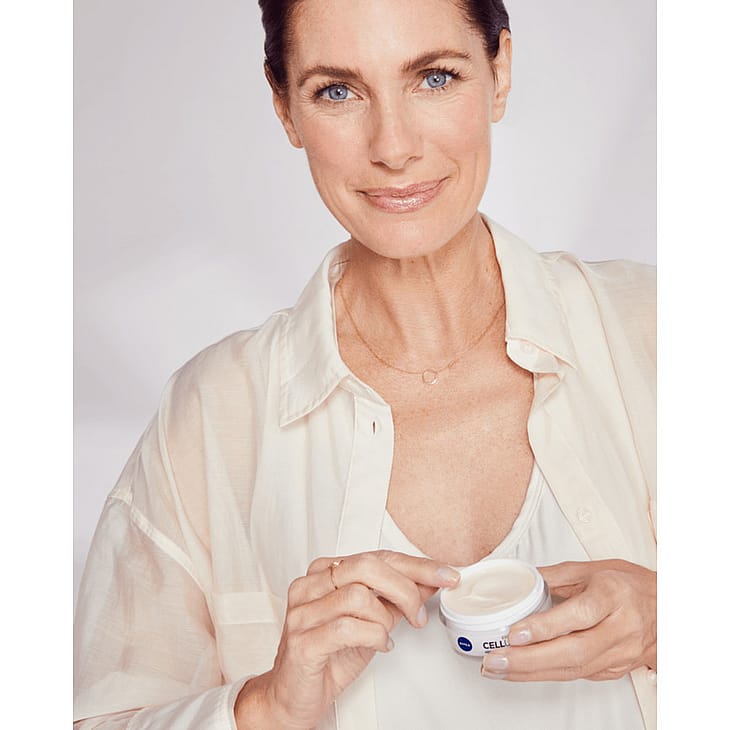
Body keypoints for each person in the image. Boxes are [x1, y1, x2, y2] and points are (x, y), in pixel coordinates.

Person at [73, 0, 657, 728]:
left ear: (500, 72)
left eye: (435, 78)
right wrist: (266, 708)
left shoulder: (658, 331)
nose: (393, 146)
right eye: (338, 91)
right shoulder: (214, 415)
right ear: (285, 108)